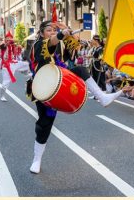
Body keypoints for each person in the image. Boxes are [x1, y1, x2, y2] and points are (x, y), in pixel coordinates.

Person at [27, 21, 121, 174]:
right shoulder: (38, 45)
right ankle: (36, 159)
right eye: (48, 30)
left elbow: (75, 47)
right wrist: (60, 34)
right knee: (45, 125)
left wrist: (68, 32)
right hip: (43, 88)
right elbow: (52, 42)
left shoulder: (59, 46)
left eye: (53, 30)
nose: (51, 32)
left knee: (81, 69)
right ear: (42, 33)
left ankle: (102, 97)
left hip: (59, 82)